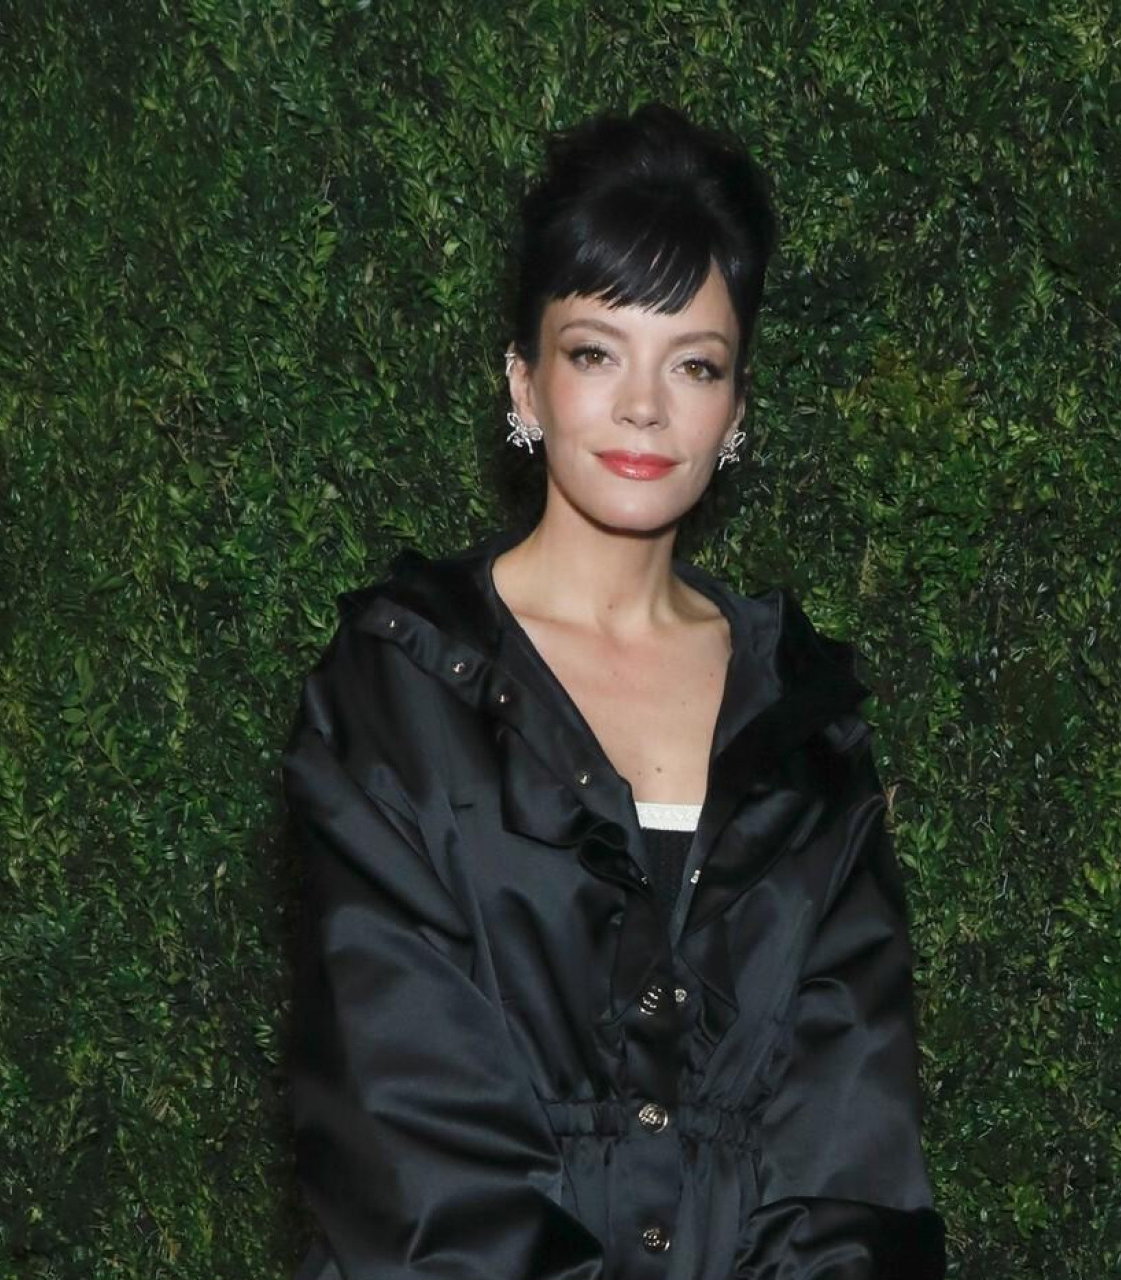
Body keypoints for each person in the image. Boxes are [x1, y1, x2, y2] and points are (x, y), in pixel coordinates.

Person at [281, 102, 946, 1280]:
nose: (644, 406)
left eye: (692, 363)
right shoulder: (394, 689)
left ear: (735, 408)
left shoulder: (804, 723)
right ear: (523, 381)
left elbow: (851, 1150)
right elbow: (408, 1148)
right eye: (596, 351)